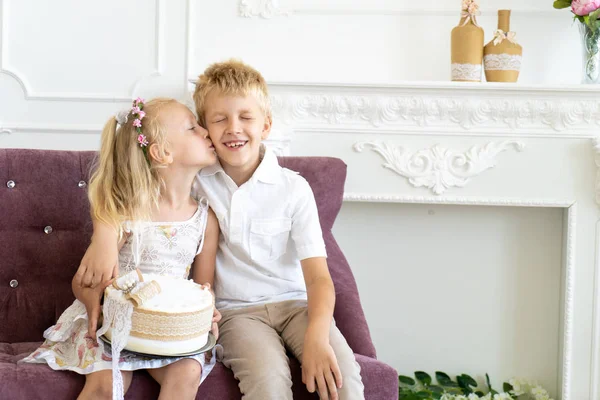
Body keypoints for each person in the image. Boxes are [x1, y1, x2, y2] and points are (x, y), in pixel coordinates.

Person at [22, 97, 221, 400]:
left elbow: (203, 289)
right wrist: (93, 304)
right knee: (105, 385)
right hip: (114, 326)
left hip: (166, 331)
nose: (206, 131)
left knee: (187, 373)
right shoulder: (127, 216)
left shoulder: (205, 220)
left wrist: (208, 313)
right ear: (162, 153)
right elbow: (82, 281)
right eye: (193, 128)